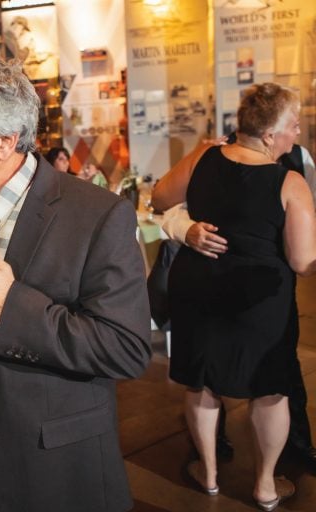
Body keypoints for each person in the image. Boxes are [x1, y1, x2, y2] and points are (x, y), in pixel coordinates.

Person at [0, 52, 152, 512]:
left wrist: (10, 307)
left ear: (4, 141)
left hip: (58, 465)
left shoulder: (97, 216)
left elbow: (125, 348)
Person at [151, 83, 316, 509]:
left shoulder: (203, 156)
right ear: (269, 136)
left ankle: (207, 474)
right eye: (292, 125)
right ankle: (264, 485)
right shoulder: (290, 181)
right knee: (270, 390)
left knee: (202, 382)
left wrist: (187, 227)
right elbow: (301, 260)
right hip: (258, 300)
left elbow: (159, 197)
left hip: (198, 289)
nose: (297, 133)